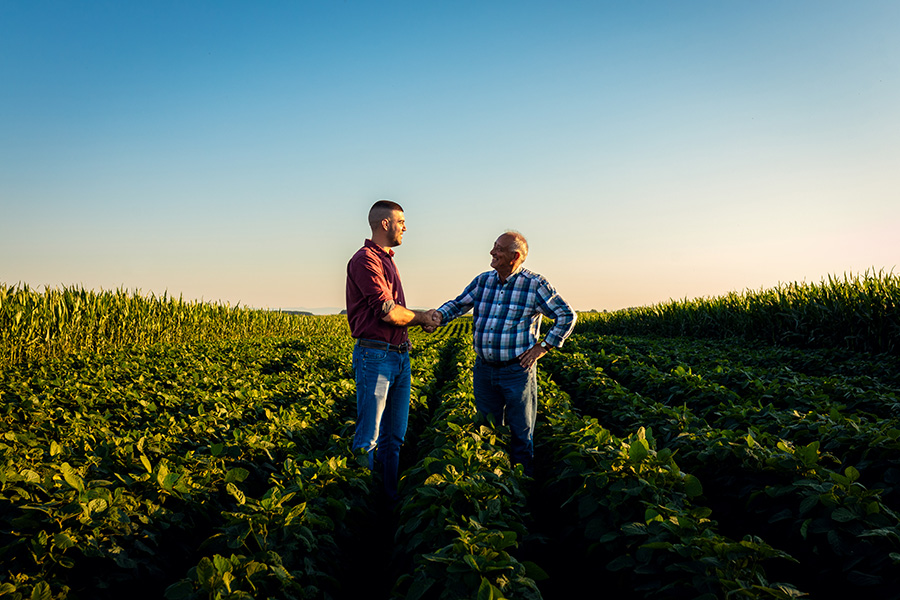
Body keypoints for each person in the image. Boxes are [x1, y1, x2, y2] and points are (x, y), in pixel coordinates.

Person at [431, 231, 576, 476]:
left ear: (514, 256)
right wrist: (435, 317)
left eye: (498, 248)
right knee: (487, 429)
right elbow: (458, 304)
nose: (492, 252)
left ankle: (520, 488)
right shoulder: (483, 281)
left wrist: (544, 347)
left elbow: (566, 315)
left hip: (516, 371)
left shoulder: (535, 284)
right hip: (484, 369)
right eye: (494, 246)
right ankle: (490, 478)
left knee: (521, 433)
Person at [346, 200, 436, 503]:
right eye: (401, 221)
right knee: (369, 437)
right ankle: (363, 503)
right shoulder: (365, 260)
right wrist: (423, 317)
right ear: (385, 223)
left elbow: (395, 313)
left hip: (397, 355)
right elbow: (386, 311)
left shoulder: (387, 259)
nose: (405, 227)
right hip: (376, 357)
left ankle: (387, 500)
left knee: (394, 437)